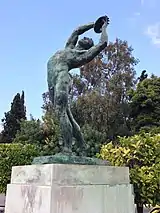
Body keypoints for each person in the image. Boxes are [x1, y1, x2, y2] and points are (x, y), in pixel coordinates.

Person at [47, 18, 109, 154]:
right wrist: (95, 24)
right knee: (66, 114)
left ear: (88, 46)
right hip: (51, 82)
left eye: (88, 39)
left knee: (61, 113)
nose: (86, 37)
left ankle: (67, 148)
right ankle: (82, 145)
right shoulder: (69, 47)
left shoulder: (83, 55)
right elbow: (77, 30)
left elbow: (102, 43)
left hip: (61, 79)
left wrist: (104, 28)